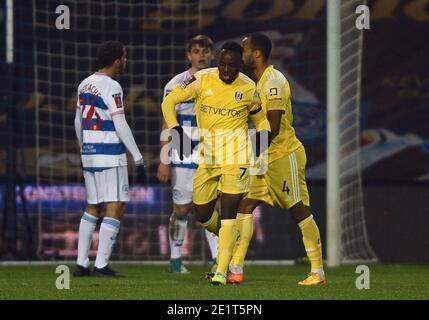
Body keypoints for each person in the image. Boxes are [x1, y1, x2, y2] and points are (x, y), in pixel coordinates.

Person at [162, 41, 271, 286]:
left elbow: (261, 121)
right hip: (208, 159)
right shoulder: (201, 79)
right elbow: (168, 103)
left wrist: (260, 152)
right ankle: (228, 239)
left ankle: (221, 270)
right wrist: (176, 132)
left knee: (229, 213)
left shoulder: (249, 87)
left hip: (237, 159)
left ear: (240, 65)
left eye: (231, 66)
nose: (225, 69)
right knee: (202, 214)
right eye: (222, 64)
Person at [227, 33, 326, 286]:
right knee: (245, 206)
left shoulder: (274, 81)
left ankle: (318, 272)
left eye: (245, 49)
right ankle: (235, 269)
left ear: (256, 54)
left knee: (298, 209)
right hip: (265, 156)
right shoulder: (257, 82)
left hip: (283, 155)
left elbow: (272, 126)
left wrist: (251, 152)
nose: (242, 53)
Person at [73, 40, 145, 277]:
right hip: (110, 153)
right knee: (115, 205)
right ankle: (102, 265)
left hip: (90, 153)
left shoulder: (84, 83)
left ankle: (81, 263)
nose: (125, 61)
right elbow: (120, 123)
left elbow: (78, 120)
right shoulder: (112, 86)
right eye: (124, 57)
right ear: (116, 61)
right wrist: (137, 156)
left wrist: (84, 148)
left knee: (93, 205)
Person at [157, 35, 219, 273]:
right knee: (181, 209)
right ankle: (175, 260)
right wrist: (164, 160)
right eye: (196, 51)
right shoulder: (175, 84)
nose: (201, 55)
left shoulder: (220, 81)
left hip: (211, 152)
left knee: (212, 208)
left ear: (212, 55)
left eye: (205, 51)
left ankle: (217, 260)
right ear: (189, 55)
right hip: (183, 151)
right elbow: (167, 125)